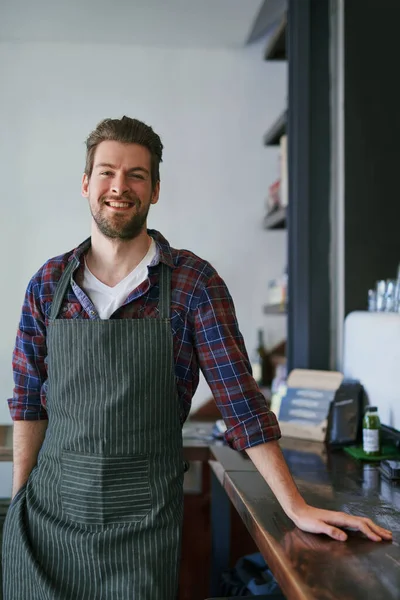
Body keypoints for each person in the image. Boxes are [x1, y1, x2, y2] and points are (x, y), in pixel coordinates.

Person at [2, 116, 392, 600]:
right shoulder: (49, 283)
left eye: (136, 175)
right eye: (106, 172)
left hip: (140, 531)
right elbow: (27, 402)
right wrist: (20, 499)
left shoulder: (193, 284)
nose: (119, 186)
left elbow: (241, 403)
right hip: (48, 522)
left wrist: (295, 507)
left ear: (155, 189)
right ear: (86, 183)